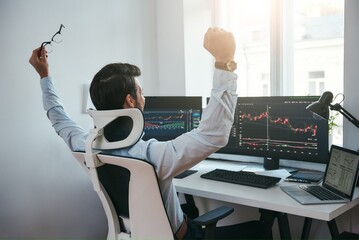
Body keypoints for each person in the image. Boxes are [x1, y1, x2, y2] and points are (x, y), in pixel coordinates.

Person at [30, 28, 268, 239]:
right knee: (260, 229)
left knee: (189, 209)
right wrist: (224, 62)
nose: (144, 97)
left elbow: (57, 116)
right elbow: (214, 134)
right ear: (130, 100)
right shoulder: (152, 156)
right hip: (183, 236)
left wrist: (44, 76)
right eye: (141, 92)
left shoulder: (85, 145)